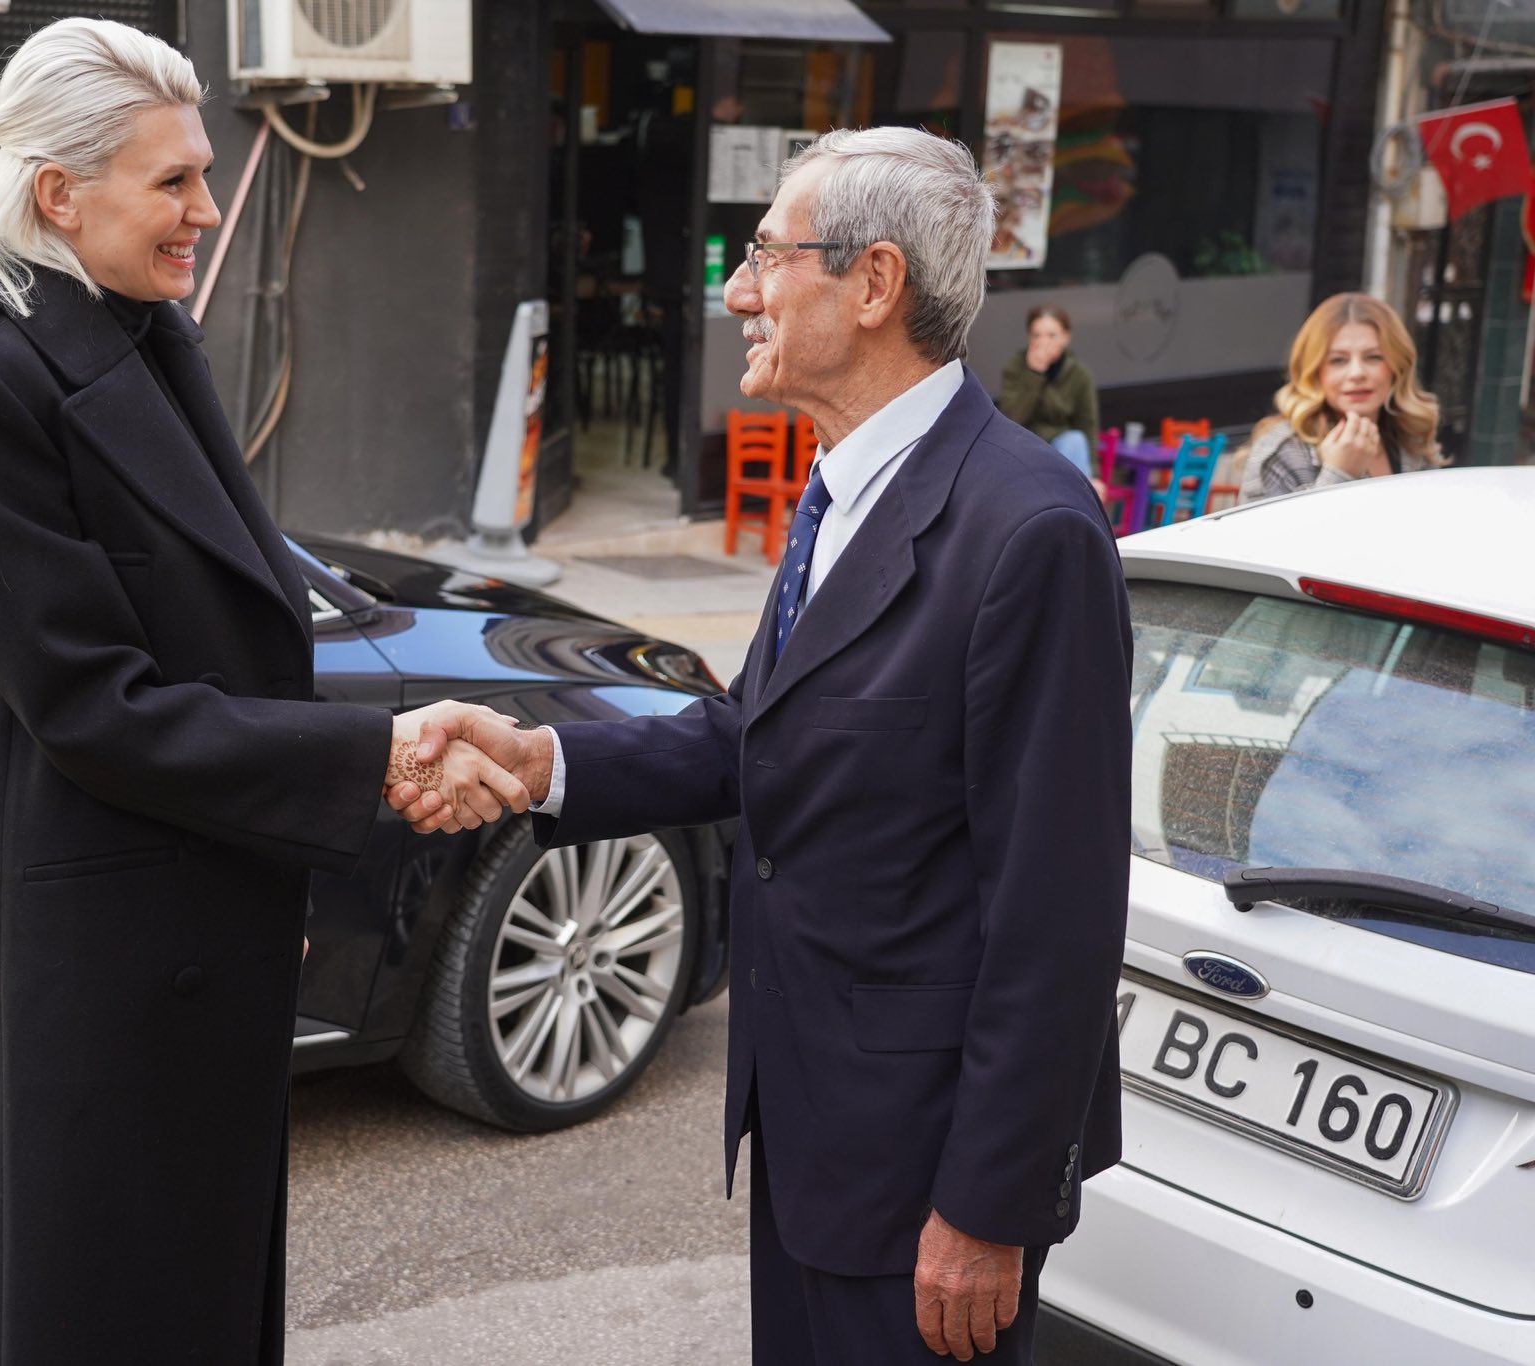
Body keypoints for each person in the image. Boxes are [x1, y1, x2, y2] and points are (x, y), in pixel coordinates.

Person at [401, 127, 1130, 1365]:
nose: (735, 292)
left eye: (762, 256)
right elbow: (758, 734)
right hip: (810, 1127)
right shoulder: (842, 486)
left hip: (925, 1181)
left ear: (873, 283)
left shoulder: (1028, 532)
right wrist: (539, 762)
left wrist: (986, 1208)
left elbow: (1054, 916)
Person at [0, 20, 523, 1364]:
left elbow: (224, 647)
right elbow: (94, 703)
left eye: (202, 174)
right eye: (172, 181)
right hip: (90, 976)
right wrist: (367, 759)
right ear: (62, 194)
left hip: (190, 930)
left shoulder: (146, 332)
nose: (208, 210)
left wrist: (258, 872)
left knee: (202, 1301)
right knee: (103, 1313)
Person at [1241, 292, 1443, 501]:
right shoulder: (1283, 452)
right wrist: (1339, 474)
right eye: (1338, 360)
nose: (1357, 373)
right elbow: (1278, 534)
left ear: (1397, 366)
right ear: (1315, 371)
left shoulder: (1410, 436)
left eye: (1374, 357)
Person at [997, 304, 1101, 478]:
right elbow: (1012, 418)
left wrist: (1095, 476)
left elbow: (1087, 426)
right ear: (1029, 338)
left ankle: (1079, 498)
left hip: (1061, 446)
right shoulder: (1014, 367)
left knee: (1075, 440)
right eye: (1037, 335)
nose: (1043, 342)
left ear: (1066, 338)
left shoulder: (1079, 374)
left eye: (1052, 335)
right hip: (1023, 444)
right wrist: (1035, 373)